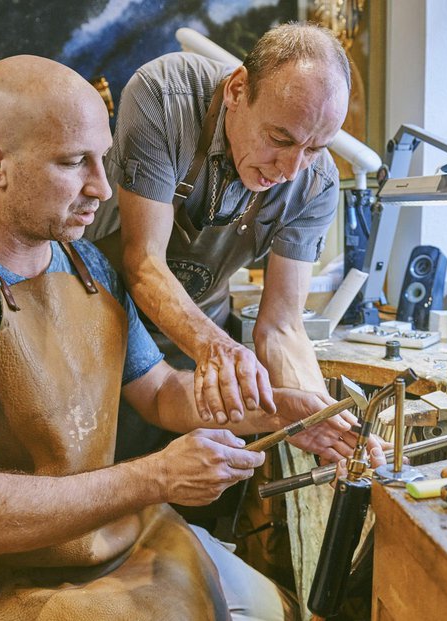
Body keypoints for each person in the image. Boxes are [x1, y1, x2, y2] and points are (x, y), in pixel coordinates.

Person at [0, 54, 378, 621]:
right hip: (0, 574)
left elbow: (159, 394)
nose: (103, 189)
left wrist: (281, 413)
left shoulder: (88, 268)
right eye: (75, 162)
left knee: (291, 614)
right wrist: (156, 475)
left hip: (115, 537)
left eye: (103, 160)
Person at [91, 22, 363, 461]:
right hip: (96, 319)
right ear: (238, 90)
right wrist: (219, 348)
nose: (292, 169)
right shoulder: (164, 96)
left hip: (193, 344)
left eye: (315, 148)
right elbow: (142, 263)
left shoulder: (317, 184)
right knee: (88, 477)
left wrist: (323, 419)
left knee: (183, 498)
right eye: (280, 139)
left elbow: (281, 327)